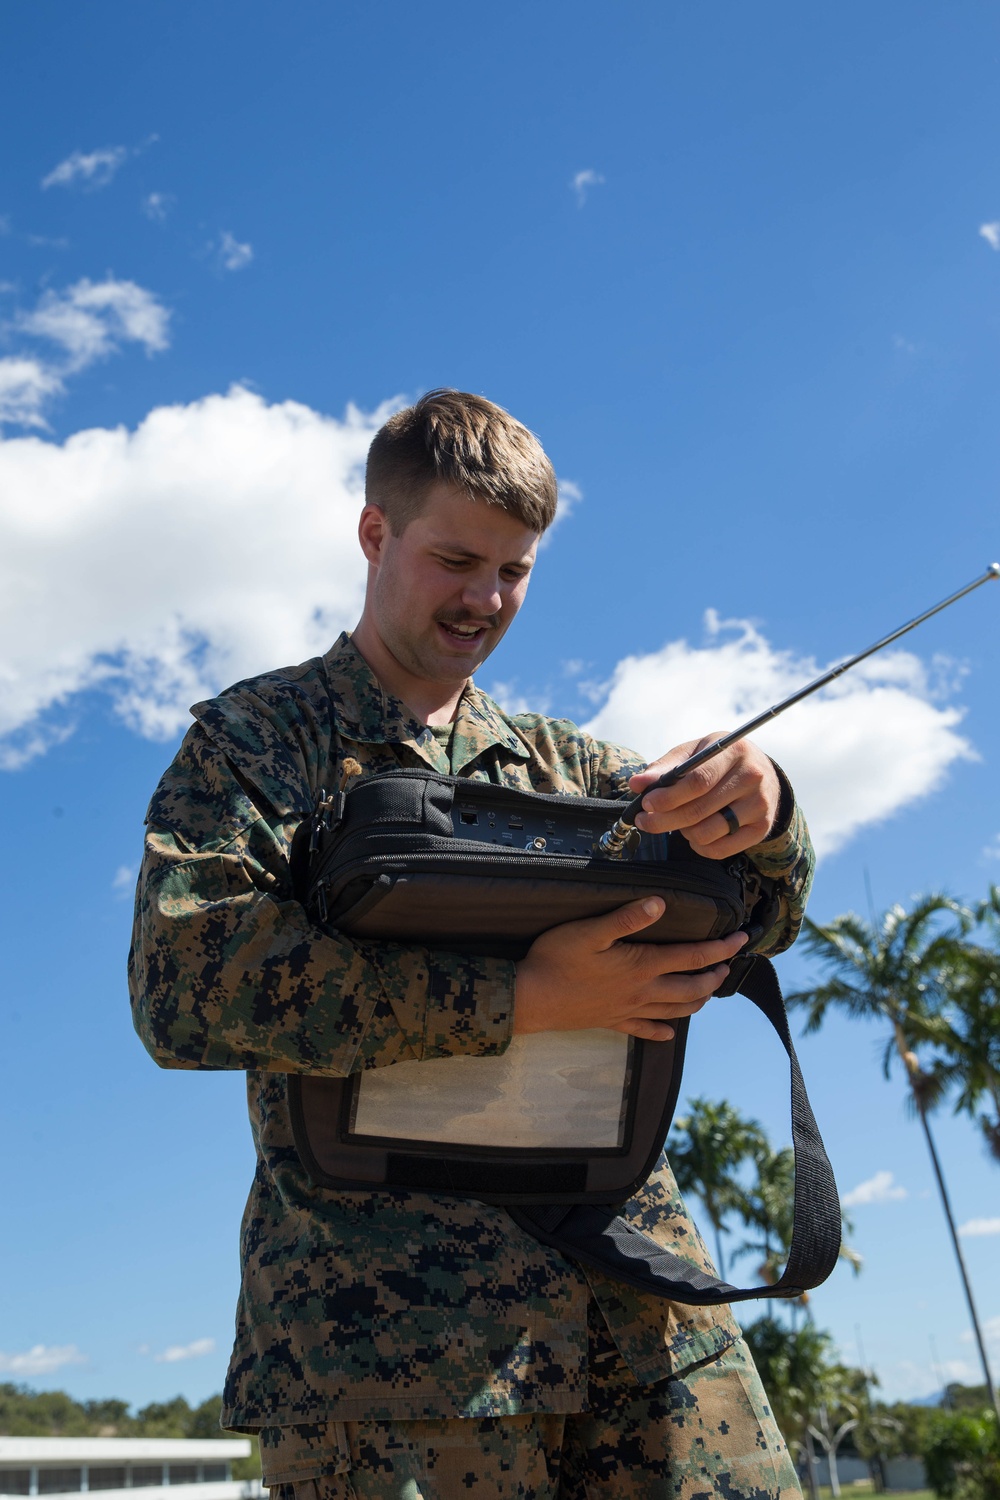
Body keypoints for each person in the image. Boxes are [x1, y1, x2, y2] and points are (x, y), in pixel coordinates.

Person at [129, 389, 815, 1499]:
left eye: (516, 571)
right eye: (457, 560)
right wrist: (523, 999)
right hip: (389, 1352)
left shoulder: (574, 770)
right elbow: (187, 985)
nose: (486, 599)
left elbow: (753, 923)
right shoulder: (255, 745)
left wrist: (770, 816)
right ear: (373, 533)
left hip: (638, 1321)